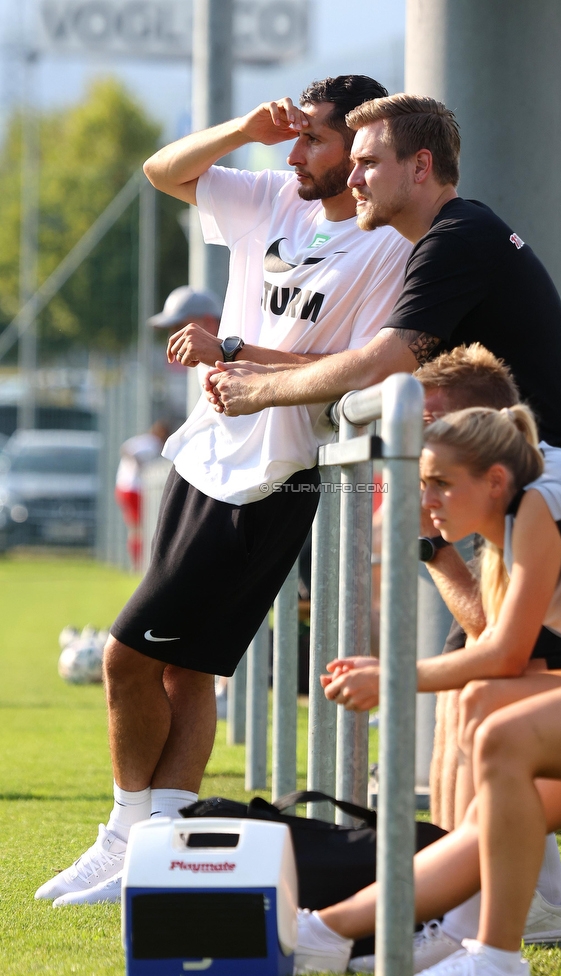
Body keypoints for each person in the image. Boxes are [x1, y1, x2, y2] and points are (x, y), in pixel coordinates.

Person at [34, 75, 412, 906]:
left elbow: (351, 371)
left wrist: (231, 345)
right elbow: (161, 170)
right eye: (295, 134)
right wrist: (243, 127)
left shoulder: (387, 245)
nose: (294, 150)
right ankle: (149, 846)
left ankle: (125, 835)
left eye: (312, 137)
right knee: (186, 671)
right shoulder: (274, 195)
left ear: (359, 150)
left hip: (273, 477)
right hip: (202, 458)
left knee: (124, 657)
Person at [293, 404, 561, 976]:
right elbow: (502, 662)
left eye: (440, 484)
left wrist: (389, 677)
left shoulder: (540, 503)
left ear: (495, 481)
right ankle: (328, 932)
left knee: (504, 735)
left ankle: (495, 958)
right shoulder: (510, 525)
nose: (424, 499)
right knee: (484, 706)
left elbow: (505, 653)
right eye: (420, 484)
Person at [206, 93, 561, 481]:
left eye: (368, 163)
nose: (352, 180)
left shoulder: (457, 240)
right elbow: (377, 366)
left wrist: (262, 389)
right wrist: (258, 366)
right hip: (543, 478)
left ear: (421, 166)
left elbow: (379, 366)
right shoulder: (458, 231)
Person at [115, 421, 169, 570]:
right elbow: (126, 450)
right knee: (140, 528)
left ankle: (137, 562)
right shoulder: (151, 442)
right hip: (133, 488)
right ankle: (138, 563)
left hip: (125, 486)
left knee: (136, 528)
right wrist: (139, 465)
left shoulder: (145, 440)